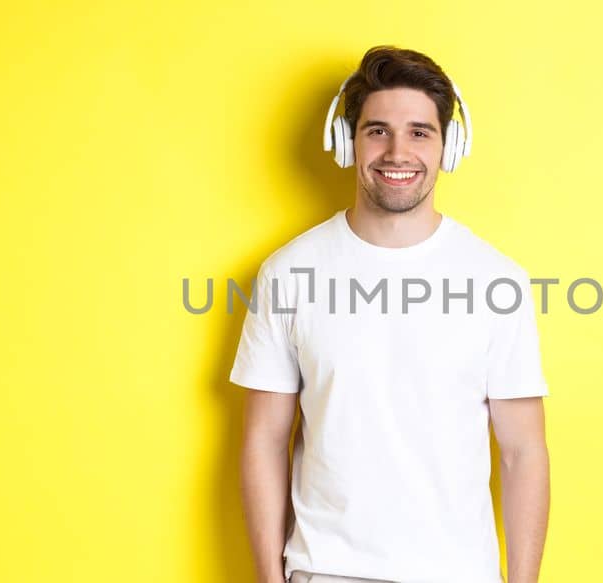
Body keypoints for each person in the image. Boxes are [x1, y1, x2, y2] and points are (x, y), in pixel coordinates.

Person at [233, 46, 549, 583]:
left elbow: (523, 451)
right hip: (324, 572)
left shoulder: (499, 280)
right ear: (346, 142)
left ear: (451, 146)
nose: (397, 151)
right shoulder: (288, 272)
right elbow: (264, 438)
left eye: (420, 132)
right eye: (377, 130)